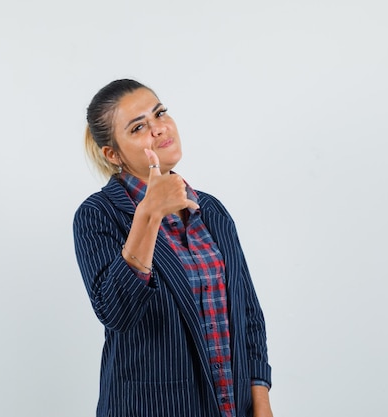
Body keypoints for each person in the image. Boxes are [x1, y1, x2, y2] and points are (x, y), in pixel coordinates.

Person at [73, 79, 273, 417]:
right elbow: (115, 312)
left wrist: (261, 403)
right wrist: (149, 214)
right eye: (138, 127)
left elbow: (248, 315)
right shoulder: (97, 214)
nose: (159, 129)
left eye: (160, 113)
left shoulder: (211, 210)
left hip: (231, 406)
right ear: (113, 154)